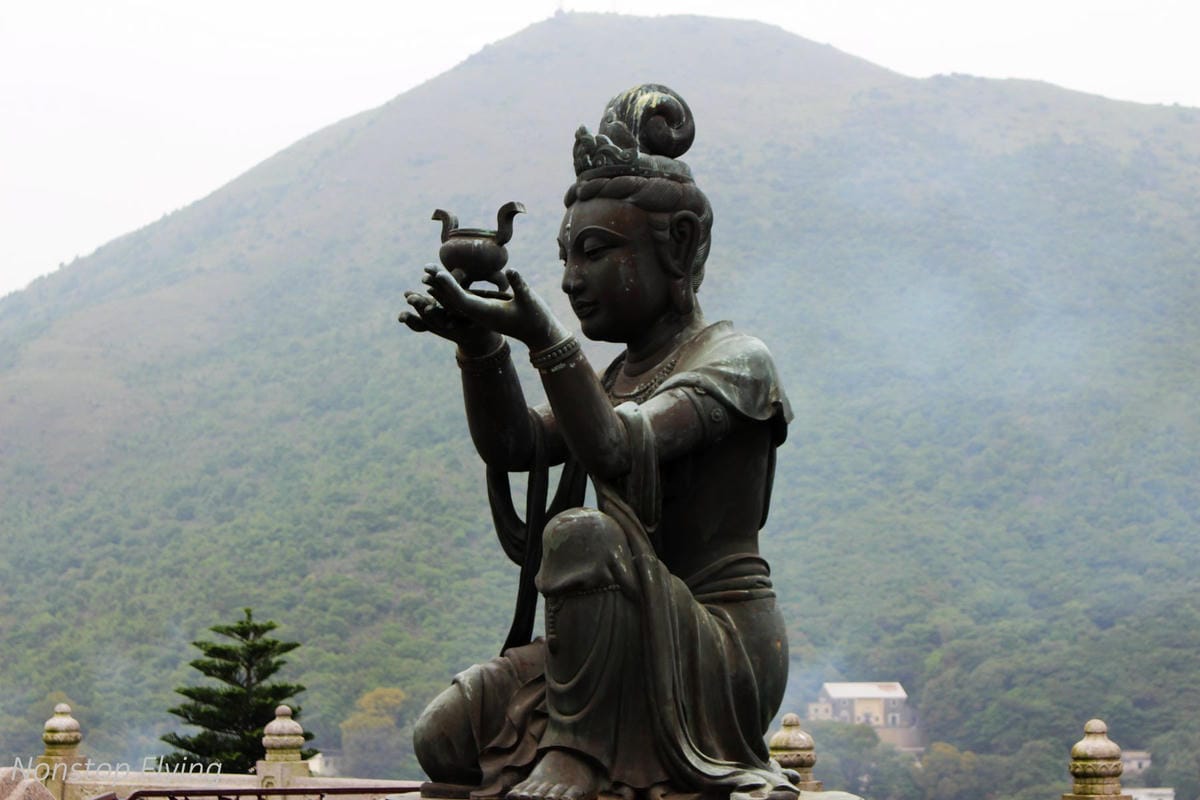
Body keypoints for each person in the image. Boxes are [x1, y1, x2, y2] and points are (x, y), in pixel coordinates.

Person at [399, 84, 795, 800]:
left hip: (711, 645)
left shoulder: (735, 361)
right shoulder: (615, 374)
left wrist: (544, 336)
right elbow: (517, 446)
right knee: (446, 737)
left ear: (675, 247)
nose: (574, 280)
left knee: (581, 534)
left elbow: (616, 449)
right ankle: (575, 741)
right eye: (565, 257)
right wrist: (481, 344)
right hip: (612, 645)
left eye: (595, 252)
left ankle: (580, 754)